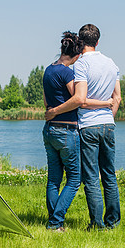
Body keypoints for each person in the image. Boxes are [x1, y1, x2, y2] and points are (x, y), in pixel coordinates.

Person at [46, 24, 122, 229]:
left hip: (88, 126)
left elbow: (81, 99)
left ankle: (97, 224)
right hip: (108, 124)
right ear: (98, 42)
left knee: (90, 177)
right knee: (109, 173)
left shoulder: (81, 65)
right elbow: (117, 97)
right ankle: (112, 221)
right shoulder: (111, 63)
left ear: (81, 42)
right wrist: (108, 116)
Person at [42, 31, 85, 232]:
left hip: (49, 130)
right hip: (66, 130)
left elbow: (46, 102)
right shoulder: (67, 72)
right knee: (74, 179)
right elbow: (77, 99)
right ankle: (55, 222)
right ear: (76, 56)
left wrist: (52, 111)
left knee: (54, 179)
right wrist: (58, 111)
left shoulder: (48, 70)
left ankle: (54, 221)